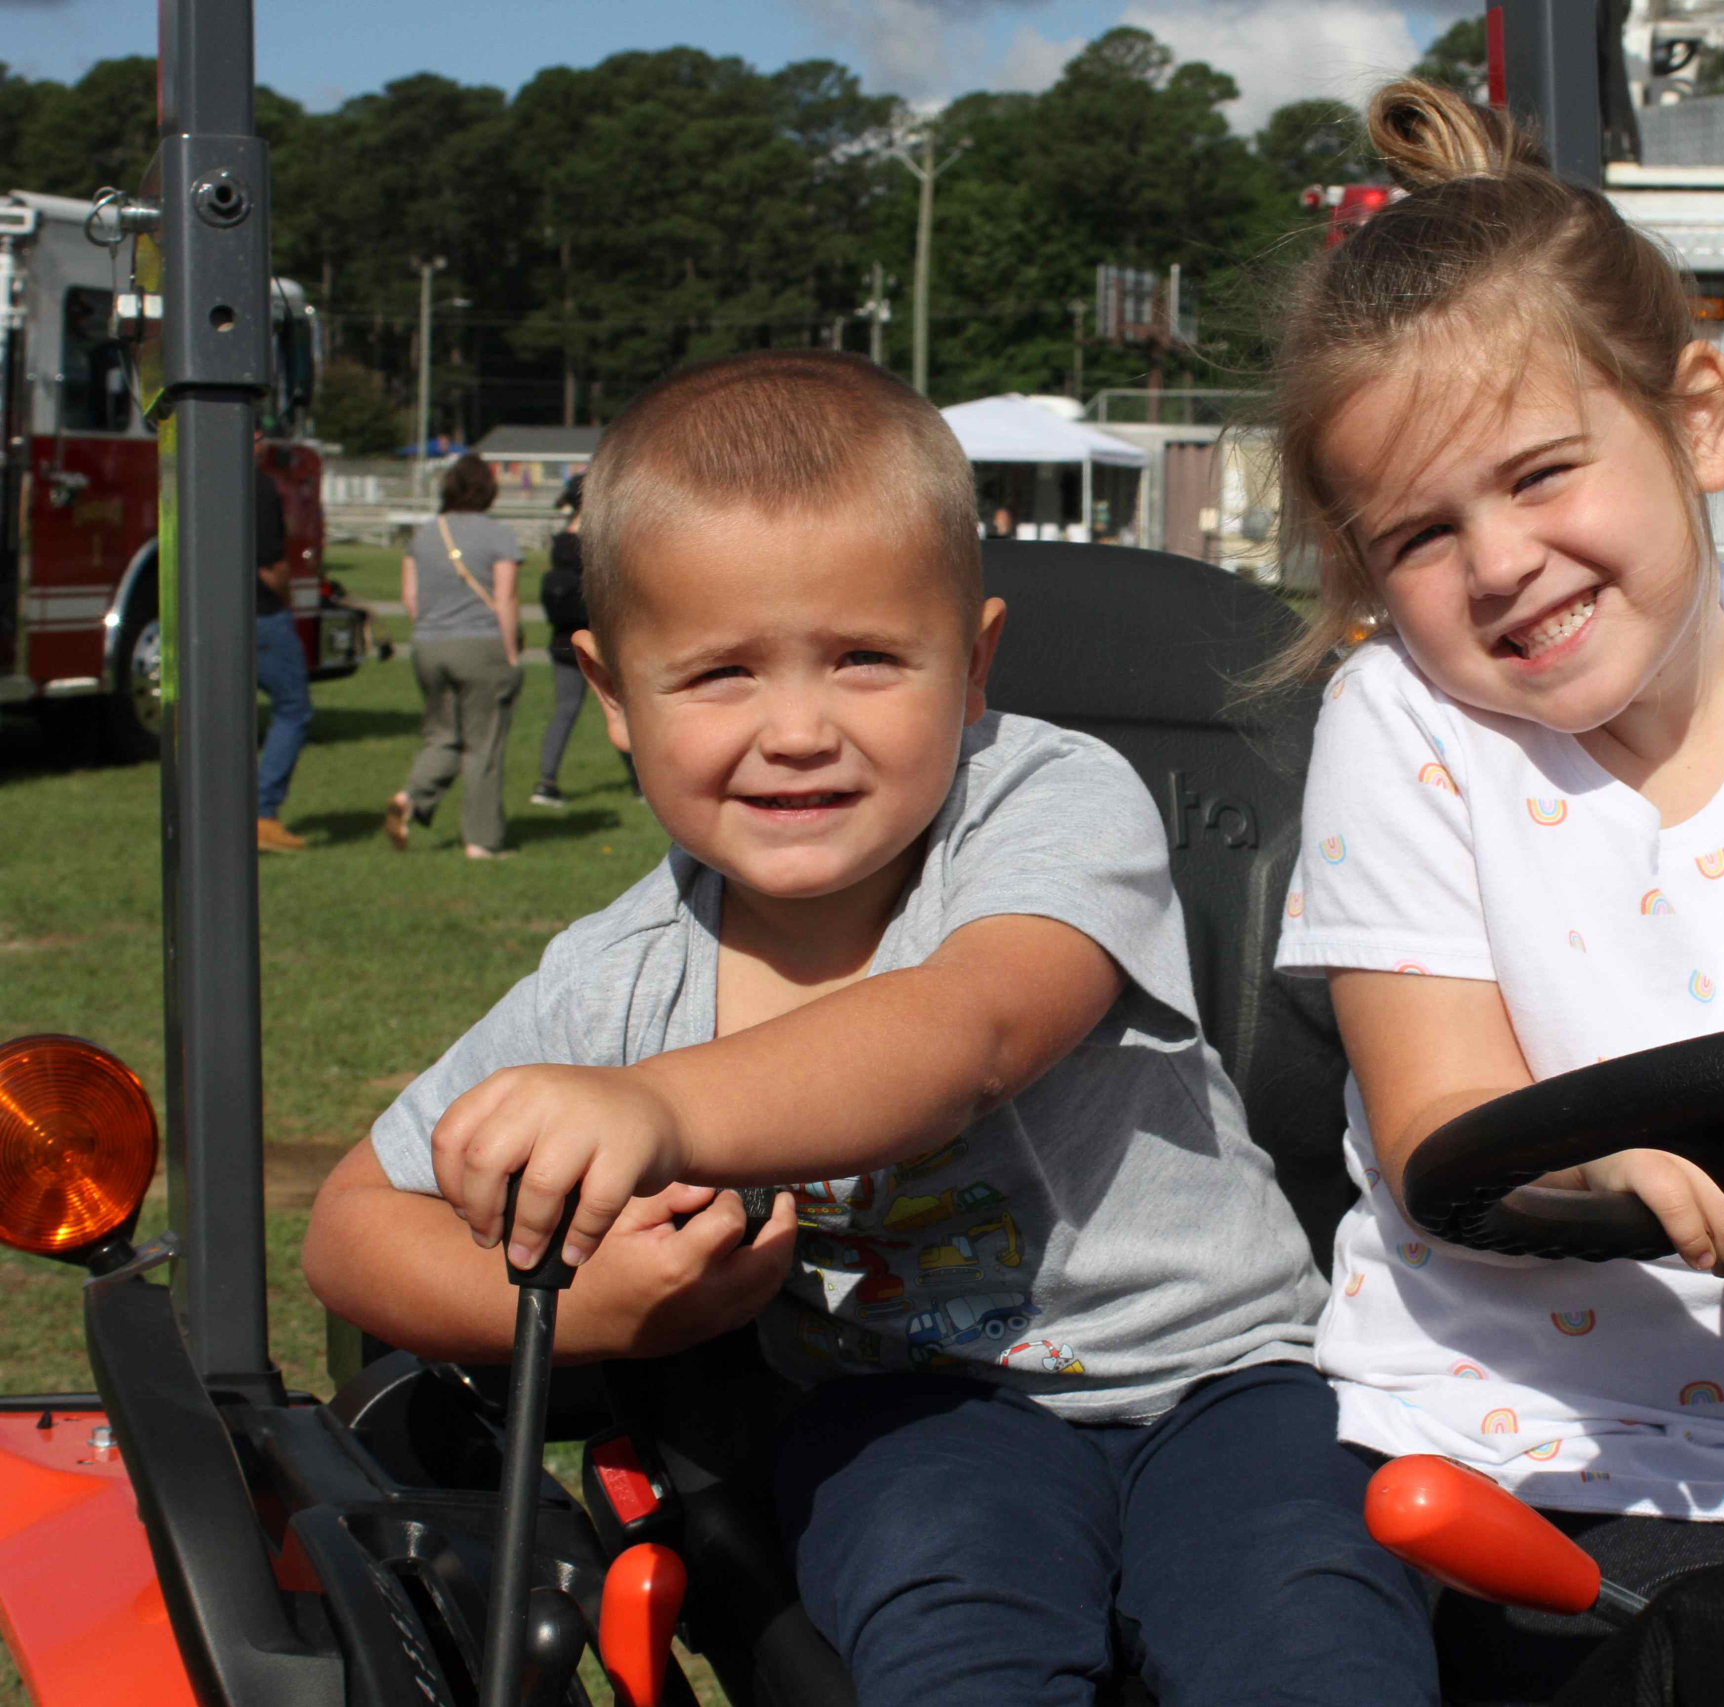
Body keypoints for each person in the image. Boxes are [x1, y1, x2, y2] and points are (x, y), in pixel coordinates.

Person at [302, 351, 1437, 1707]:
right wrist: (601, 1307)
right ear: (611, 694)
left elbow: (969, 1033)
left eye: (864, 659)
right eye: (720, 671)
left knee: (1312, 1636)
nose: (798, 729)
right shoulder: (618, 977)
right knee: (948, 1629)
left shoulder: (1047, 802)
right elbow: (351, 1222)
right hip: (915, 1417)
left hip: (1229, 1382)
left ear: (974, 665)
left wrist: (656, 1110)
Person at [1262, 83, 1724, 1691]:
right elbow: (1435, 1129)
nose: (1497, 564)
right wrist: (1610, 1137)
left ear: (1696, 418)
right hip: (1479, 1435)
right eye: (1419, 534)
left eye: (1541, 472)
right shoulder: (1399, 723)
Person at [387, 453, 521, 857]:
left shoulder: (425, 534)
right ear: (489, 491)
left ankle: (410, 798)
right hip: (480, 645)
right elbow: (506, 597)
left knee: (443, 734)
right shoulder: (497, 535)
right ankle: (481, 840)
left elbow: (410, 599)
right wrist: (511, 653)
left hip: (428, 645)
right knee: (484, 745)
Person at [252, 431, 313, 853]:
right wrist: (287, 598)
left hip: (210, 618)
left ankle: (214, 815)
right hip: (261, 615)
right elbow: (270, 565)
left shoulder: (197, 481)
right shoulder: (257, 487)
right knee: (293, 709)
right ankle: (262, 813)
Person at [531, 474, 597, 807]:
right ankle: (644, 786)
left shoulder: (559, 543)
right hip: (598, 639)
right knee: (624, 712)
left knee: (565, 710)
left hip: (562, 639)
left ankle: (546, 781)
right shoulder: (597, 542)